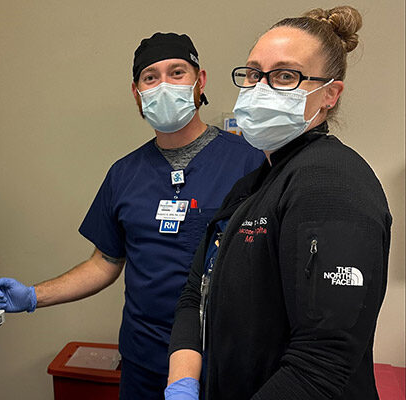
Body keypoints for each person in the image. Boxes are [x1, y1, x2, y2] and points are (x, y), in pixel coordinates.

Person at [0, 32, 264, 399]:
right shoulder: (124, 174)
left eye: (177, 72)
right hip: (145, 363)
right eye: (150, 77)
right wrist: (32, 296)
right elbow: (105, 262)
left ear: (200, 82)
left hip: (227, 361)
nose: (163, 85)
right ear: (137, 94)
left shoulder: (251, 161)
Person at [166, 6, 392, 400]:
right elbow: (195, 292)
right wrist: (182, 380)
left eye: (285, 76)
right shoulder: (253, 185)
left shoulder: (333, 183)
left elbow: (322, 364)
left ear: (329, 94)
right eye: (253, 73)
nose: (259, 88)